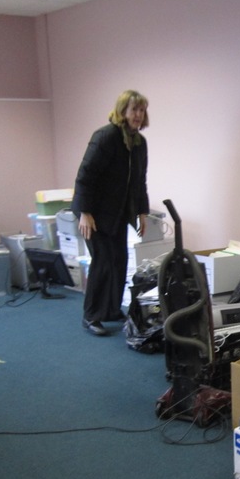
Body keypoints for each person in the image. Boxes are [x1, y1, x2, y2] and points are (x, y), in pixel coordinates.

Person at [71, 90, 150, 336]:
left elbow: (139, 181)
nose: (138, 115)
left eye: (142, 110)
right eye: (134, 109)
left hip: (117, 214)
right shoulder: (105, 136)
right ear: (122, 111)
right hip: (94, 213)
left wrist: (142, 212)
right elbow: (85, 175)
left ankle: (112, 310)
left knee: (119, 261)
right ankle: (91, 315)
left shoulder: (139, 142)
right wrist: (85, 212)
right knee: (103, 262)